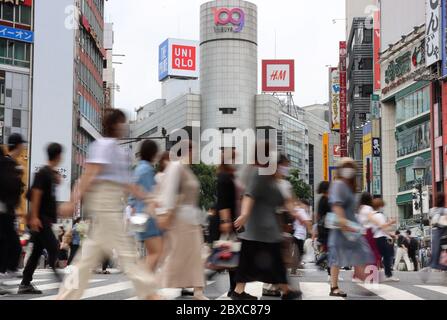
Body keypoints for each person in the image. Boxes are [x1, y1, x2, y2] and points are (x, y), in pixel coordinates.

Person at [56, 109, 158, 300]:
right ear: (113, 124)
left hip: (111, 204)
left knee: (86, 260)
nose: (125, 126)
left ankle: (64, 297)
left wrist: (149, 198)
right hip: (104, 203)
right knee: (128, 254)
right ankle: (151, 295)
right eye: (122, 122)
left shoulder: (120, 151)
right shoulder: (103, 146)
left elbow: (128, 184)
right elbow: (89, 174)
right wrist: (73, 200)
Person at [233, 142, 302, 301]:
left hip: (262, 230)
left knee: (250, 263)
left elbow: (281, 201)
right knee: (272, 262)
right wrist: (244, 215)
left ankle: (239, 292)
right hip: (262, 230)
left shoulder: (267, 176)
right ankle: (286, 291)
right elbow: (250, 195)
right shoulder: (259, 173)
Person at [156, 140, 208, 300]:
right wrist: (167, 214)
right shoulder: (176, 167)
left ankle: (198, 292)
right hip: (180, 220)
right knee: (178, 257)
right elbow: (170, 192)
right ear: (185, 150)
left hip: (191, 220)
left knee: (196, 256)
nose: (195, 153)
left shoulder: (186, 169)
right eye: (193, 149)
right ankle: (154, 286)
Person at [19, 143, 64, 294]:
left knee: (36, 252)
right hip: (41, 219)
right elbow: (36, 194)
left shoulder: (49, 173)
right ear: (58, 156)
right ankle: (60, 279)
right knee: (53, 246)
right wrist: (35, 217)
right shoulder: (43, 173)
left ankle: (25, 283)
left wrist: (56, 177)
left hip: (44, 218)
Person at [327, 158, 374, 297]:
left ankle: (363, 281)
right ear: (340, 169)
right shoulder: (338, 185)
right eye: (345, 166)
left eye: (350, 166)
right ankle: (334, 287)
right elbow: (337, 205)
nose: (348, 169)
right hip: (344, 227)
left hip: (351, 227)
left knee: (362, 252)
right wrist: (344, 223)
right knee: (337, 257)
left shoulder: (349, 187)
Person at [130, 140, 163, 272]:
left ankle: (147, 287)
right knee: (156, 252)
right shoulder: (148, 170)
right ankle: (145, 285)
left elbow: (132, 196)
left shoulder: (138, 169)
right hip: (148, 216)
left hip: (139, 215)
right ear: (153, 153)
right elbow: (150, 197)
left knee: (152, 252)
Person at [0, 133, 26, 282]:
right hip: (4, 210)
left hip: (8, 211)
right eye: (22, 144)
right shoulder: (6, 163)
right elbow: (9, 187)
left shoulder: (12, 164)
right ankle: (6, 272)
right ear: (18, 145)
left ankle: (6, 272)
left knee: (9, 244)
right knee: (11, 244)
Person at [215, 148, 239, 298]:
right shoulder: (224, 176)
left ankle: (234, 288)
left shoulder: (229, 175)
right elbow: (223, 201)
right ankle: (233, 288)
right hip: (229, 219)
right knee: (230, 254)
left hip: (233, 219)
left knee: (232, 254)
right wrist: (226, 221)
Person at [371, 199, 399, 282]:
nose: (383, 208)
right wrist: (391, 225)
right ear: (379, 206)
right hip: (381, 238)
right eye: (382, 206)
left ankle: (372, 274)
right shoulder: (379, 215)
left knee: (376, 257)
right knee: (387, 256)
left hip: (374, 237)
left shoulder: (371, 215)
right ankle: (388, 274)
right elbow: (383, 227)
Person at [356, 192, 381, 281]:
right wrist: (380, 224)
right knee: (373, 253)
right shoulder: (368, 208)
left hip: (361, 233)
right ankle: (372, 275)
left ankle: (357, 275)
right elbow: (371, 218)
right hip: (369, 232)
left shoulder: (360, 209)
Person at [291, 199, 312, 275]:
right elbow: (307, 222)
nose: (307, 208)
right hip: (299, 235)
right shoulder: (302, 211)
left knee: (298, 252)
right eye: (306, 206)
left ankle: (296, 268)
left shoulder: (296, 210)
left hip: (296, 234)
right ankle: (294, 271)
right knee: (298, 253)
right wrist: (311, 231)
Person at [428, 193, 447, 271]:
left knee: (436, 252)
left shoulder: (432, 210)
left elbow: (430, 221)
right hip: (444, 233)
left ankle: (436, 264)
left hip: (435, 232)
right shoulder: (445, 210)